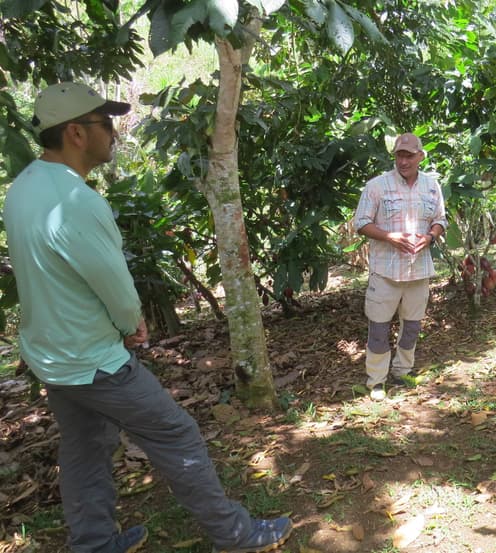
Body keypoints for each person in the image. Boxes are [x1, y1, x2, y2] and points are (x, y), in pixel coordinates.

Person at [3, 82, 292, 553]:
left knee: (85, 450)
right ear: (76, 133)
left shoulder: (24, 188)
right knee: (176, 434)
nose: (113, 134)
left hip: (52, 356)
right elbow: (114, 287)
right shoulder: (76, 201)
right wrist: (131, 323)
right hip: (94, 358)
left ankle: (94, 544)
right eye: (105, 124)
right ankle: (233, 534)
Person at [353, 133, 448, 401]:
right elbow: (360, 222)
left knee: (413, 326)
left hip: (418, 270)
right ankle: (377, 381)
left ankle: (402, 370)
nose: (403, 161)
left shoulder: (431, 186)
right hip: (385, 271)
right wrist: (390, 237)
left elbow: (441, 219)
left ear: (420, 157)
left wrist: (430, 237)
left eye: (409, 155)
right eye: (399, 155)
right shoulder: (377, 186)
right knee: (379, 327)